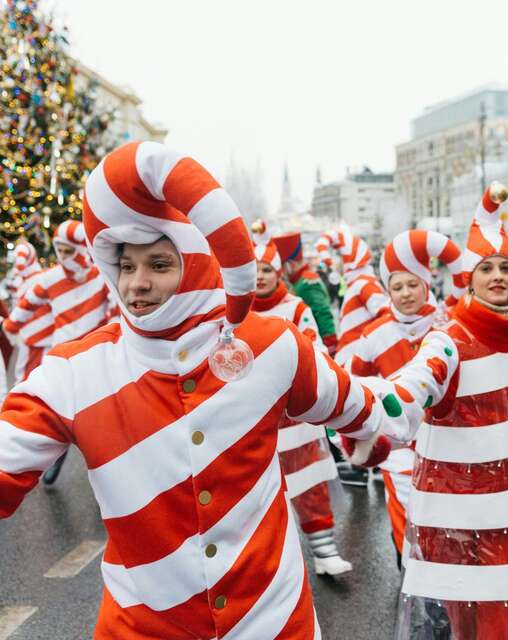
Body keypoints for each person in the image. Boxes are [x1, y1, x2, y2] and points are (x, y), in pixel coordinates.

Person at [0, 141, 388, 640]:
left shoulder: (269, 345)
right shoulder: (75, 373)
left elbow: (361, 406)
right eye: (126, 266)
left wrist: (380, 432)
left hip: (273, 623)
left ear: (198, 264)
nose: (136, 283)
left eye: (159, 265)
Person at [344, 183, 508, 640]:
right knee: (467, 621)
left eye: (506, 267)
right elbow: (409, 390)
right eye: (486, 268)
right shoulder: (448, 342)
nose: (498, 276)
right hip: (457, 515)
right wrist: (353, 409)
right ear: (469, 278)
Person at [350, 228, 463, 569]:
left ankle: (447, 576)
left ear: (426, 284)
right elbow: (357, 385)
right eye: (396, 287)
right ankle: (410, 567)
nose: (405, 293)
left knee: (446, 512)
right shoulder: (374, 334)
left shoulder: (448, 323)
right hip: (399, 442)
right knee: (406, 504)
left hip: (446, 438)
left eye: (412, 284)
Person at [251, 224, 352, 575]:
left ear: (278, 272)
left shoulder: (295, 307)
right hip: (252, 415)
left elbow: (315, 350)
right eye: (253, 269)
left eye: (266, 269)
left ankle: (323, 551)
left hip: (294, 415)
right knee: (257, 490)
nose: (259, 276)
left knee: (309, 482)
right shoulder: (235, 309)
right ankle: (270, 563)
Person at [3, 220, 114, 485]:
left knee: (101, 417)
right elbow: (28, 303)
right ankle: (58, 456)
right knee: (61, 412)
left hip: (97, 356)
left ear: (80, 248)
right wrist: (11, 325)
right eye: (59, 251)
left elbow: (116, 307)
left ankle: (107, 471)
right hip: (63, 355)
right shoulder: (50, 278)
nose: (63, 257)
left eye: (68, 251)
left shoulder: (101, 276)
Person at [315, 228, 388, 367]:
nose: (338, 263)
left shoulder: (364, 283)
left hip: (358, 361)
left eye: (340, 258)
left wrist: (369, 349)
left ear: (350, 259)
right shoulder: (357, 282)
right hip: (352, 359)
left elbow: (384, 315)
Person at [270, 229, 338, 356]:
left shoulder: (307, 281)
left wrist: (330, 346)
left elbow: (322, 312)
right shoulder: (297, 281)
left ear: (289, 264)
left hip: (317, 344)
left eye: (282, 266)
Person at [1, 241, 54, 383]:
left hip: (39, 338)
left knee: (31, 377)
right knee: (26, 375)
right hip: (29, 337)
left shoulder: (39, 279)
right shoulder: (31, 279)